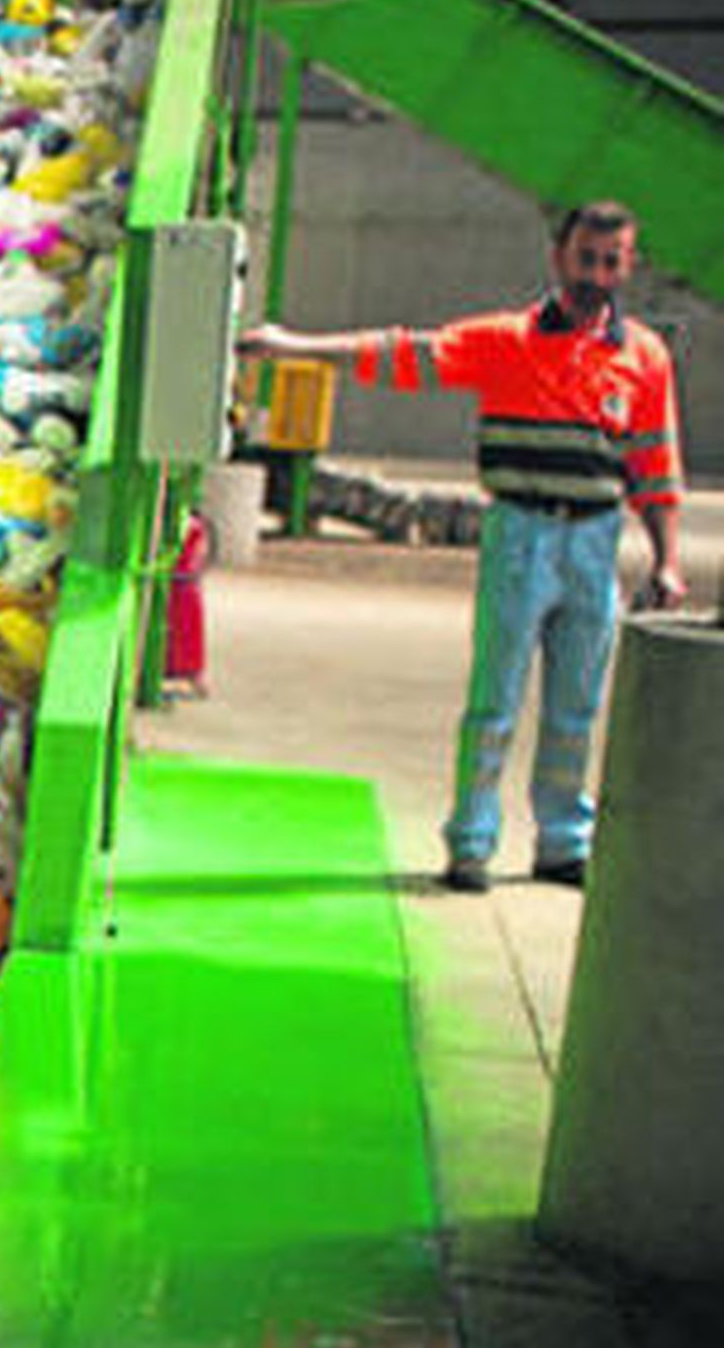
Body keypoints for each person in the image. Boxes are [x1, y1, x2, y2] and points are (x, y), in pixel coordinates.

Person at [239, 201, 687, 892]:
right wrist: (294, 345)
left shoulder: (645, 357)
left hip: (596, 540)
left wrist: (667, 557)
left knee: (577, 705)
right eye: (585, 258)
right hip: (519, 533)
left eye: (611, 261)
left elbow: (656, 463)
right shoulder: (505, 341)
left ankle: (563, 842)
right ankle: (471, 843)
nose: (597, 274)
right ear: (558, 259)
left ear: (627, 266)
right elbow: (398, 353)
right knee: (495, 699)